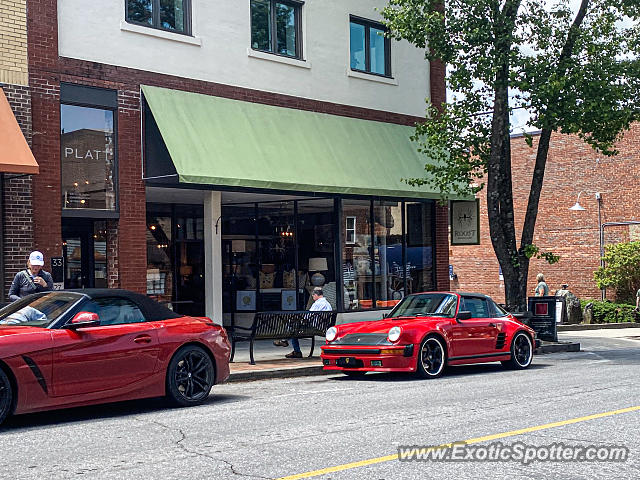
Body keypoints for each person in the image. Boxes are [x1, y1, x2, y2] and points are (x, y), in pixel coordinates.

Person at [285, 287, 332, 359]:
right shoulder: (328, 304)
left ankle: (295, 350)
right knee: (295, 328)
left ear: (316, 295)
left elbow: (308, 316)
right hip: (323, 327)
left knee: (293, 328)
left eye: (313, 295)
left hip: (314, 327)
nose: (312, 296)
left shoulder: (317, 304)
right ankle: (285, 340)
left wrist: (301, 320)